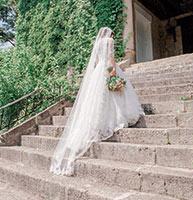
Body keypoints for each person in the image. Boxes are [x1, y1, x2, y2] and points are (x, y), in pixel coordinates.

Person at [49, 27, 144, 176]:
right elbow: (110, 57)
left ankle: (96, 124)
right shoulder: (110, 41)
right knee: (114, 95)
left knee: (97, 99)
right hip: (108, 68)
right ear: (111, 34)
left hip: (98, 70)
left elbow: (99, 60)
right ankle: (114, 118)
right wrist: (113, 73)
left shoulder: (99, 42)